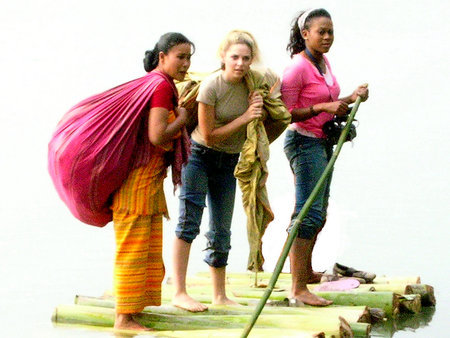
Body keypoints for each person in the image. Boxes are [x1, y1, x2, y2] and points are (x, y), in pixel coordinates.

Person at [281, 9, 369, 306]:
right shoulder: (297, 68)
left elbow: (327, 101)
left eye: (330, 31)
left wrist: (350, 98)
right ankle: (297, 288)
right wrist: (323, 109)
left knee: (320, 211)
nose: (328, 37)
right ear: (305, 33)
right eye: (321, 31)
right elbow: (286, 113)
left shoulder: (323, 61)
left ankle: (304, 272)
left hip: (322, 142)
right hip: (303, 142)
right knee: (307, 213)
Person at [171, 30, 264, 312]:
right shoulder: (212, 86)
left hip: (229, 161)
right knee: (189, 222)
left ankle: (219, 294)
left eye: (246, 58)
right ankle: (178, 291)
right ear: (223, 57)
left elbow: (277, 88)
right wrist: (247, 116)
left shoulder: (252, 85)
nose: (240, 63)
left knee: (222, 229)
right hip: (199, 156)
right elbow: (209, 135)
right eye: (234, 57)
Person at [111, 32, 194, 330]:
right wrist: (183, 118)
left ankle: (132, 313)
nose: (185, 63)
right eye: (180, 57)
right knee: (133, 250)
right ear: (162, 57)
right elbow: (157, 135)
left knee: (145, 249)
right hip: (138, 184)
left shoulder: (158, 84)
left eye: (189, 58)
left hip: (145, 181)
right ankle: (123, 319)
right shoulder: (159, 86)